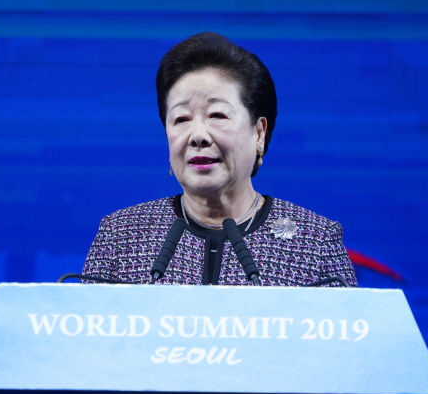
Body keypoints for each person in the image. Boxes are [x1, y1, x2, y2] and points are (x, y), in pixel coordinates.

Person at [82, 32, 357, 287]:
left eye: (217, 115)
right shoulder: (121, 237)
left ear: (259, 133)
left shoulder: (315, 243)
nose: (197, 136)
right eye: (181, 119)